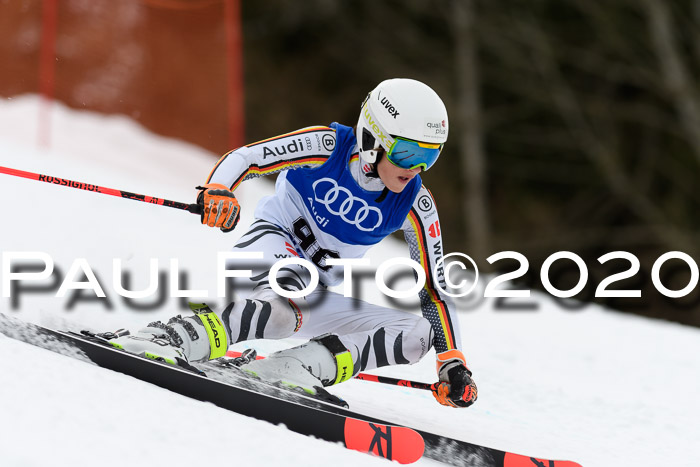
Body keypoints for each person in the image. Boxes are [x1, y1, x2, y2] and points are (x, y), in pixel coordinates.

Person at [109, 78, 477, 408]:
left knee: (417, 335)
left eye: (430, 156)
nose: (416, 168)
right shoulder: (328, 146)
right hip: (268, 250)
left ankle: (293, 368)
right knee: (287, 302)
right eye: (408, 153)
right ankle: (165, 337)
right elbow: (249, 157)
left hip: (310, 293)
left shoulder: (415, 203)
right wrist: (220, 189)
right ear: (372, 138)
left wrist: (452, 362)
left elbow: (434, 289)